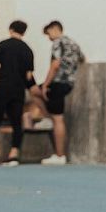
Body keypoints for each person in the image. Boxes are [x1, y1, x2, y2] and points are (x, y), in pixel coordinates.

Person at [0, 20, 39, 167]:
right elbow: (28, 75)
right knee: (16, 121)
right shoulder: (28, 49)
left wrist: (3, 72)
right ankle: (14, 153)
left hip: (4, 85)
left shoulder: (4, 44)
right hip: (18, 88)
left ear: (11, 29)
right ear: (24, 32)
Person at [40, 20, 85, 165]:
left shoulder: (58, 42)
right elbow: (82, 59)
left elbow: (55, 64)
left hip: (58, 81)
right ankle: (48, 117)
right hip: (69, 82)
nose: (49, 38)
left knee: (57, 118)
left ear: (54, 29)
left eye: (49, 34)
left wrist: (46, 84)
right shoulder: (73, 43)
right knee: (56, 116)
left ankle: (59, 154)